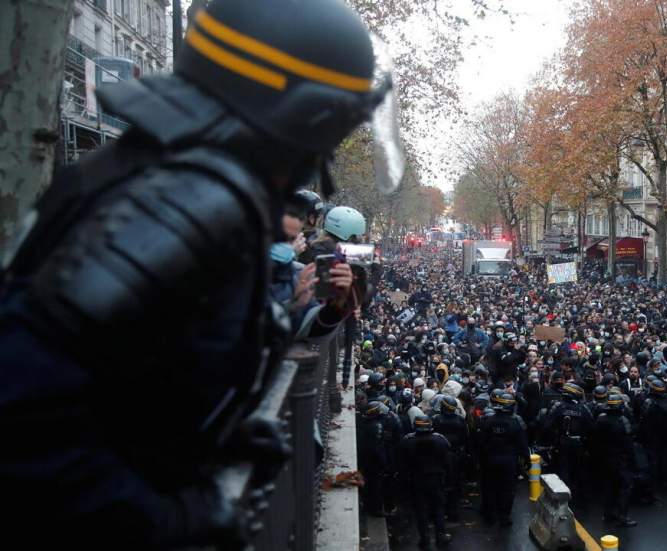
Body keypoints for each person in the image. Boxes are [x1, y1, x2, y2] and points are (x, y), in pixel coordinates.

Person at [0, 0, 387, 546]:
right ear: (302, 113)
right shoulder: (189, 207)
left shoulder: (163, 174)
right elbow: (19, 410)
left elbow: (142, 369)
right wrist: (164, 519)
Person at [397, 415, 452, 549]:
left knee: (420, 510)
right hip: (435, 479)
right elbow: (448, 461)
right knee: (438, 508)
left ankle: (425, 538)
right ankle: (441, 535)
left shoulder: (407, 441)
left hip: (417, 480)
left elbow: (401, 464)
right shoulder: (440, 440)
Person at [477, 391, 530, 527]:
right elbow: (523, 445)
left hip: (490, 460)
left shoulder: (488, 421)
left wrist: (482, 460)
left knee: (490, 488)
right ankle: (504, 517)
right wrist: (527, 460)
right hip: (509, 462)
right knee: (507, 490)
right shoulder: (515, 423)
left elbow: (481, 442)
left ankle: (490, 516)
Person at [593, 394, 638, 527]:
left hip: (605, 459)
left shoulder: (601, 420)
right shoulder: (623, 421)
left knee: (609, 487)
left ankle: (608, 514)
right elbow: (629, 445)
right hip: (621, 460)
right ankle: (623, 516)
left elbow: (595, 439)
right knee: (625, 487)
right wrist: (633, 462)